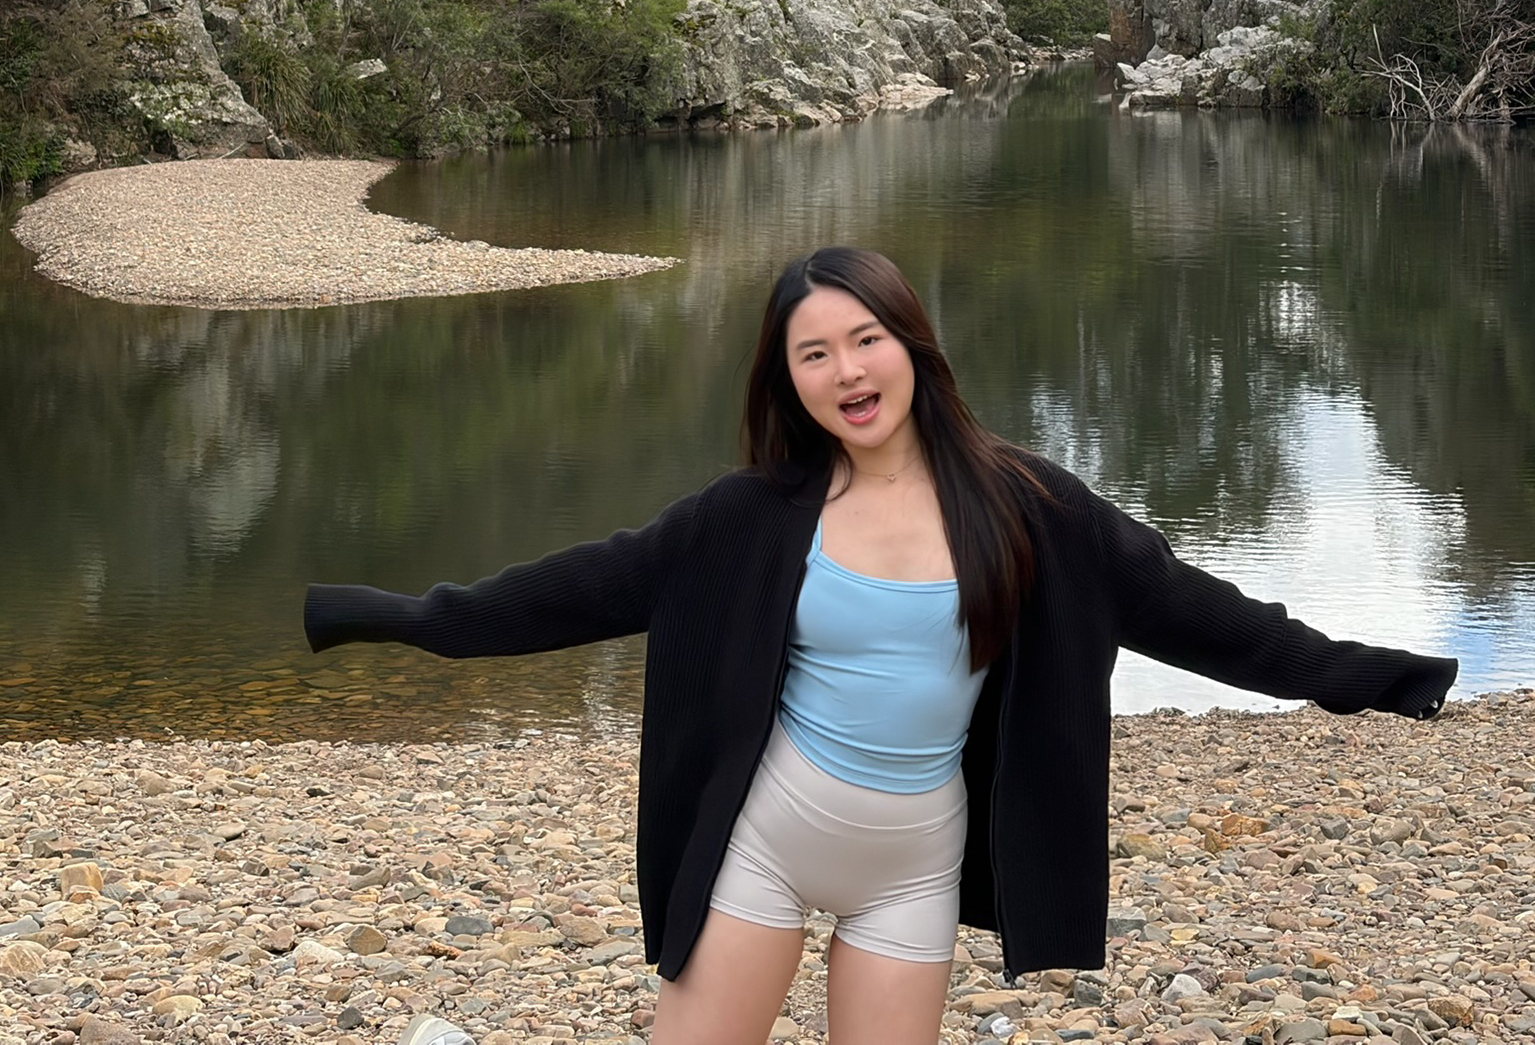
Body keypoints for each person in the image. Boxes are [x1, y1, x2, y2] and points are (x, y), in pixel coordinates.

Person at [305, 247, 1457, 1045]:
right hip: (765, 842)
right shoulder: (751, 515)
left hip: (915, 865)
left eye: (866, 339)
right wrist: (406, 617)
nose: (847, 371)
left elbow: (1198, 611)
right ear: (787, 378)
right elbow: (580, 587)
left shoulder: (1029, 508)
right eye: (814, 354)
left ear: (913, 342)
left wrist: (1377, 679)